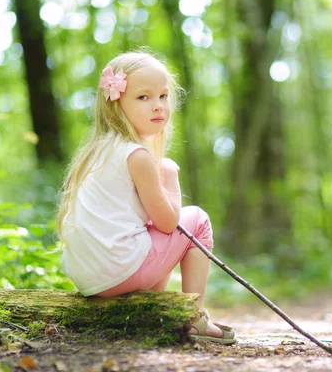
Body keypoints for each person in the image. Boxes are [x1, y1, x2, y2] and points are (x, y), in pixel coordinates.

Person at [56, 51, 236, 344]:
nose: (158, 106)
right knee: (198, 221)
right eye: (143, 98)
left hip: (88, 277)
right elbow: (168, 224)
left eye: (163, 96)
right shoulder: (136, 155)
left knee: (147, 234)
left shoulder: (95, 153)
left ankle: (153, 311)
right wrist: (170, 176)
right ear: (116, 105)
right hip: (119, 270)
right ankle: (195, 319)